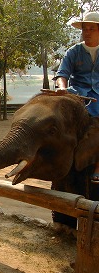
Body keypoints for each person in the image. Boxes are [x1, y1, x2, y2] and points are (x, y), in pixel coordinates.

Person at [55, 11, 99, 182]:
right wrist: (62, 88)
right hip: (77, 93)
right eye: (84, 29)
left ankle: (98, 165)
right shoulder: (73, 52)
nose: (87, 32)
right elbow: (62, 74)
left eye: (91, 29)